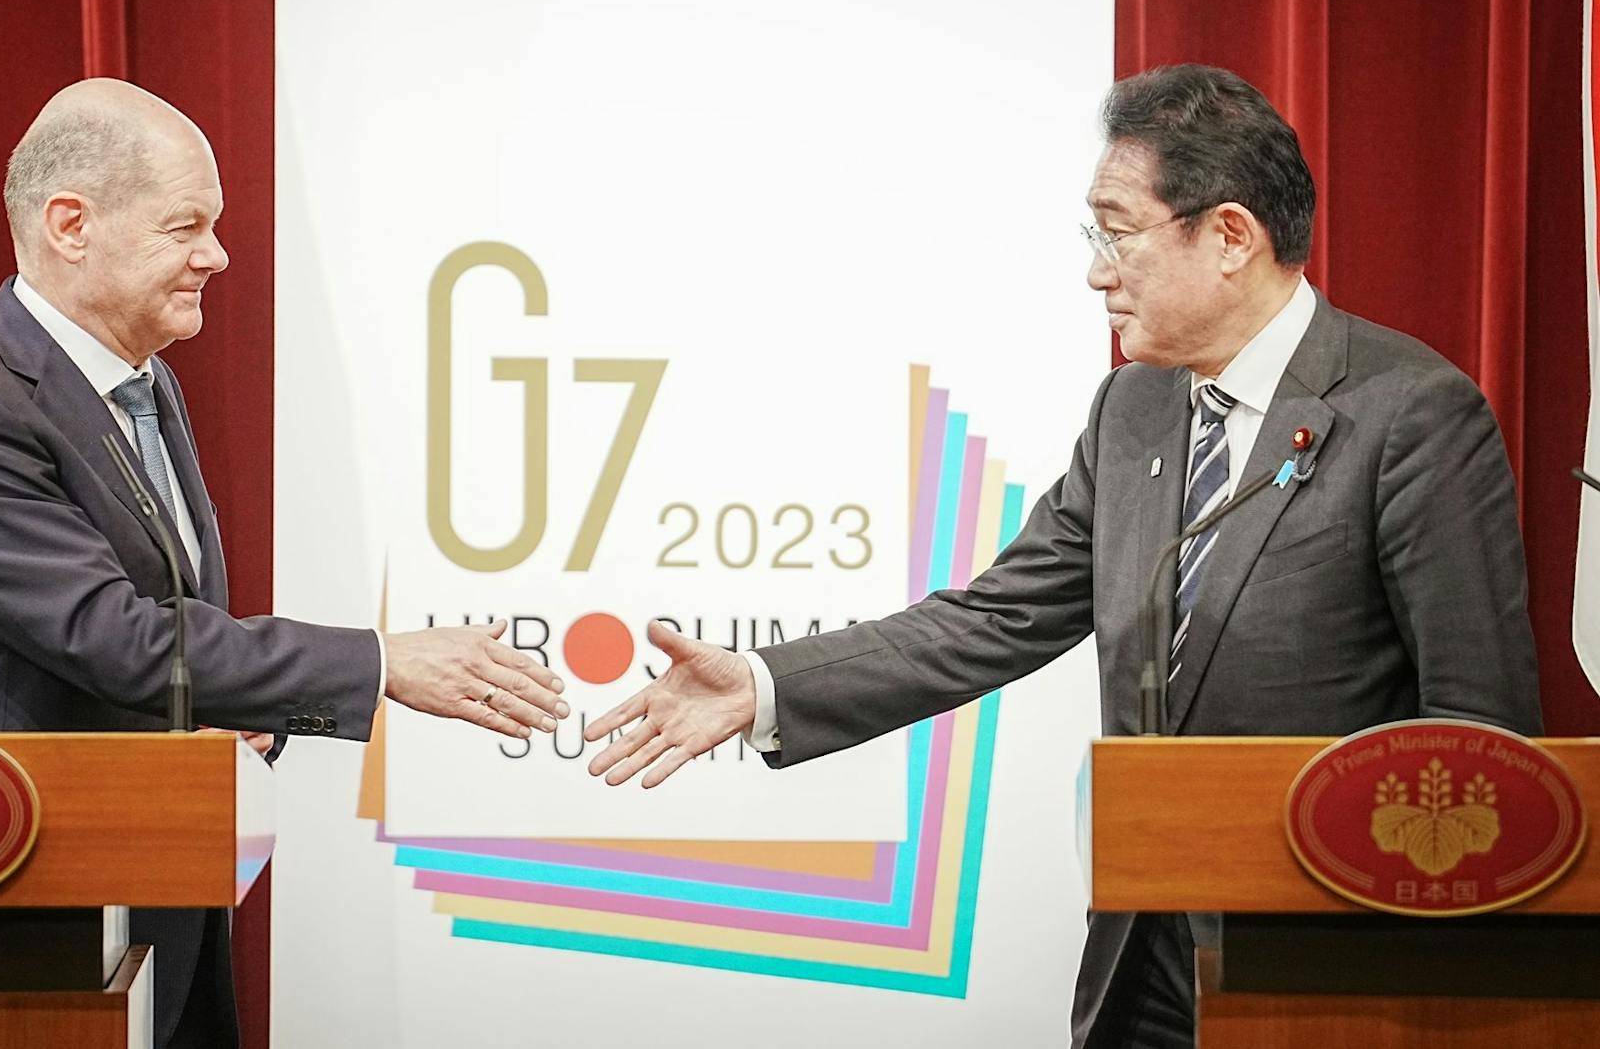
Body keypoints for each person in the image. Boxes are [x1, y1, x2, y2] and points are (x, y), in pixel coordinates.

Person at [582, 64, 1543, 1049]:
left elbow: (1482, 737)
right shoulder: (1134, 407)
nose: (1095, 271)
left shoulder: (1410, 415)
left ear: (1226, 238)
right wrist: (760, 682)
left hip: (1327, 975)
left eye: (1115, 232)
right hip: (1142, 955)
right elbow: (994, 616)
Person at [0, 78, 569, 1049]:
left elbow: (173, 634)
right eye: (185, 225)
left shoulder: (143, 381)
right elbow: (115, 638)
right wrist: (377, 663)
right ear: (71, 224)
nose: (216, 254)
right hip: (31, 925)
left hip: (164, 887)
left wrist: (246, 717)